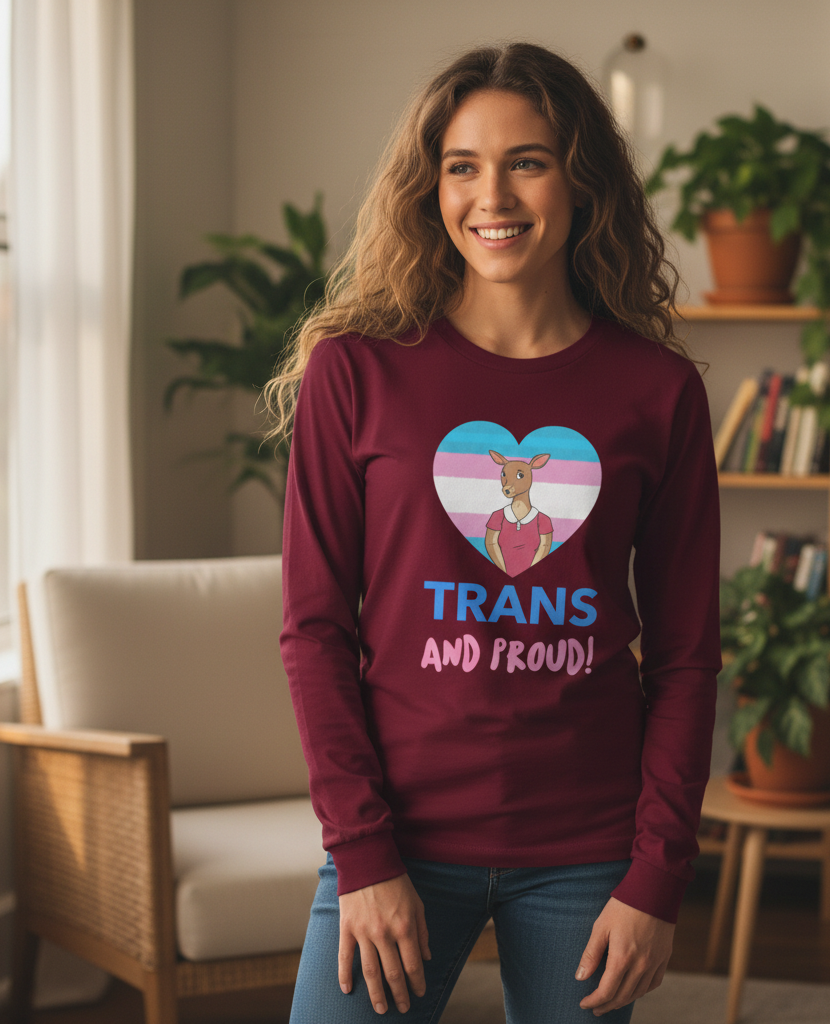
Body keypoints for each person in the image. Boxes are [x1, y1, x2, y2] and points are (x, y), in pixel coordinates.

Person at [266, 41, 721, 1024]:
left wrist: (656, 874)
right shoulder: (357, 371)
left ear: (580, 178)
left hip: (588, 853)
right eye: (462, 165)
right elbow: (313, 631)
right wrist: (362, 852)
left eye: (528, 159)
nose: (491, 194)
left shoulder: (658, 392)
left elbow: (685, 657)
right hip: (397, 840)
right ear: (431, 186)